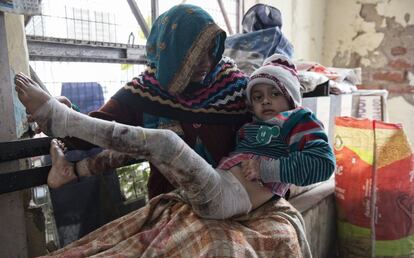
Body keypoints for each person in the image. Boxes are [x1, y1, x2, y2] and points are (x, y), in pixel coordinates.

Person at [14, 53, 335, 219]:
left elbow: (323, 163)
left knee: (167, 143)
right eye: (258, 95)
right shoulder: (249, 120)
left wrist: (266, 169)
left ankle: (61, 120)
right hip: (212, 185)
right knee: (160, 138)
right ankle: (73, 167)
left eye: (274, 94)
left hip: (228, 197)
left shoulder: (299, 119)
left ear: (291, 99)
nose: (265, 101)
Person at [54, 4, 250, 199]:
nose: (206, 63)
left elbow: (272, 120)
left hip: (235, 197)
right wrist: (63, 113)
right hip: (172, 205)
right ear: (174, 53)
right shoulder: (144, 91)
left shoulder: (232, 85)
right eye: (195, 55)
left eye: (210, 50)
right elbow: (95, 129)